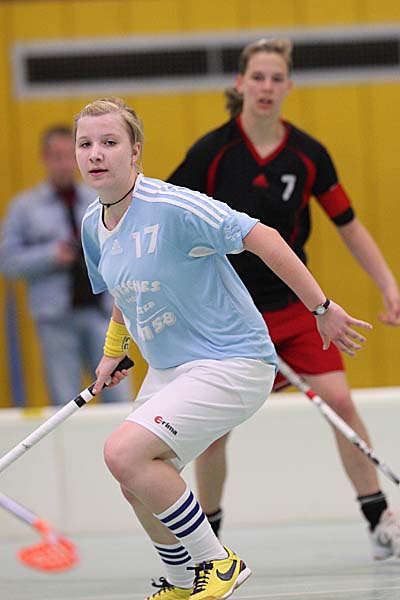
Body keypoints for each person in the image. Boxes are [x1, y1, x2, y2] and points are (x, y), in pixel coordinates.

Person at [74, 96, 371, 600]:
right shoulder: (92, 224)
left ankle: (217, 561)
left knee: (122, 452)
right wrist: (113, 349)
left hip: (231, 359)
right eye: (85, 144)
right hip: (170, 369)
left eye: (110, 142)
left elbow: (264, 236)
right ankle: (181, 580)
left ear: (135, 150)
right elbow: (125, 290)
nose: (96, 153)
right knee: (135, 479)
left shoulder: (174, 206)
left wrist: (321, 308)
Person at [168, 38, 400, 559]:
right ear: (240, 84)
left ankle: (379, 520)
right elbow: (170, 221)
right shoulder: (211, 153)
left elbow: (349, 225)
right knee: (214, 432)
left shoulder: (309, 154)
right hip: (229, 316)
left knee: (340, 402)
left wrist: (389, 284)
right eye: (258, 77)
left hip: (299, 310)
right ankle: (209, 539)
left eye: (276, 78)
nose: (267, 87)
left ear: (289, 86)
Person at [0, 125, 131, 405]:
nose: (64, 164)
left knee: (119, 394)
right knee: (65, 398)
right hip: (56, 318)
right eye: (56, 157)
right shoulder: (25, 207)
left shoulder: (99, 199)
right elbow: (8, 261)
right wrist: (51, 255)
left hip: (101, 312)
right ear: (45, 158)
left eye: (69, 156)